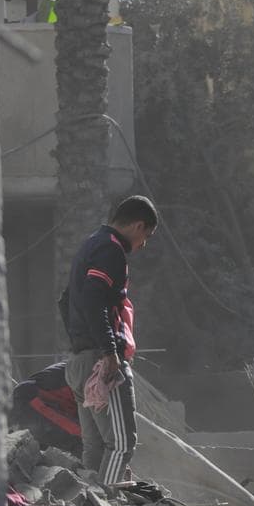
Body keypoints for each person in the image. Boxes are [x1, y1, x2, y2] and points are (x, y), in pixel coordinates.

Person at [60, 195, 157, 484]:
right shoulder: (112, 250)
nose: (143, 244)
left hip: (79, 362)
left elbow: (66, 300)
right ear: (138, 226)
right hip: (100, 364)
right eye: (147, 236)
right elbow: (94, 298)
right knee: (122, 444)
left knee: (96, 446)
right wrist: (108, 350)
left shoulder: (91, 244)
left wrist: (81, 343)